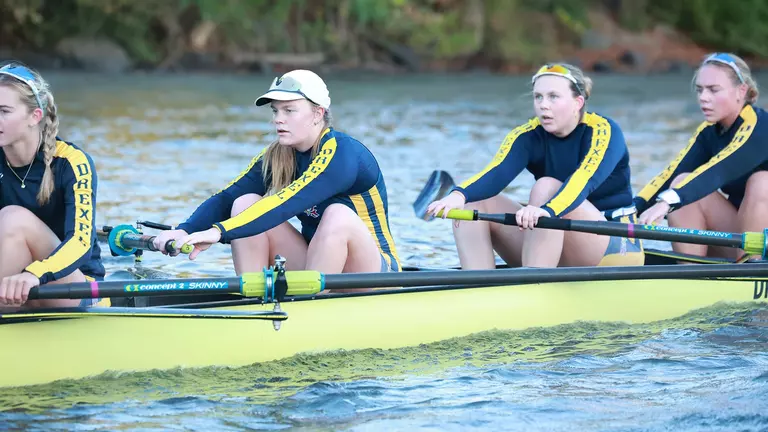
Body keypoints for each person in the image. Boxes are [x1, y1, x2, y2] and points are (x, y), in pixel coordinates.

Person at [154, 69, 401, 285]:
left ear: (317, 113)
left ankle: (310, 307)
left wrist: (219, 232)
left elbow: (286, 203)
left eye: (289, 110)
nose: (277, 119)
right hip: (317, 266)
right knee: (244, 203)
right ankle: (254, 300)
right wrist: (184, 230)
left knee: (337, 215)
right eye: (275, 111)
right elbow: (228, 197)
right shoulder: (279, 155)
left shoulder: (344, 153)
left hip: (374, 274)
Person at [427, 63, 644, 269]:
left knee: (546, 186)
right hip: (553, 234)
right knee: (474, 202)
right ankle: (476, 286)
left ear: (578, 102)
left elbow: (582, 181)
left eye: (553, 97)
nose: (543, 104)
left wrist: (547, 210)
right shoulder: (527, 135)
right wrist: (459, 195)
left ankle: (533, 284)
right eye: (538, 97)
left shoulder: (604, 131)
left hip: (617, 245)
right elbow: (496, 173)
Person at [634, 53, 767, 260]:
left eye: (714, 90)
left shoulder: (760, 126)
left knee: (762, 181)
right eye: (700, 90)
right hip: (744, 237)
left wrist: (668, 202)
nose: (703, 97)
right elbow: (672, 173)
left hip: (760, 246)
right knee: (681, 181)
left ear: (741, 91)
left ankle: (751, 269)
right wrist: (632, 209)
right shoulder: (709, 132)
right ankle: (690, 270)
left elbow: (720, 169)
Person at [0, 62, 106, 309]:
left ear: (34, 116)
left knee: (14, 218)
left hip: (73, 285)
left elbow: (81, 243)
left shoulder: (72, 162)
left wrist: (35, 274)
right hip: (13, 282)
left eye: (3, 111)